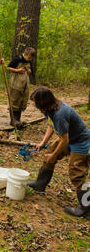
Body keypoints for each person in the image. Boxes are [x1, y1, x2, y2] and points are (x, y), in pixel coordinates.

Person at [28, 87, 90, 220]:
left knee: (77, 173)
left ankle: (86, 209)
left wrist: (54, 155)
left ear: (43, 101)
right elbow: (51, 125)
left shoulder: (60, 113)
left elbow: (64, 139)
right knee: (49, 153)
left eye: (35, 102)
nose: (34, 104)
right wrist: (42, 143)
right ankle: (40, 184)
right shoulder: (49, 109)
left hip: (80, 141)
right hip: (69, 138)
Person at [7, 46, 35, 128]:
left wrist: (30, 71)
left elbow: (30, 70)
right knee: (14, 100)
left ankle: (18, 120)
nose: (30, 60)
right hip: (16, 83)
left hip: (24, 84)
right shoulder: (17, 59)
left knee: (22, 100)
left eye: (31, 58)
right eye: (29, 57)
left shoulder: (29, 61)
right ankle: (13, 120)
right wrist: (17, 70)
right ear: (25, 54)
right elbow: (8, 67)